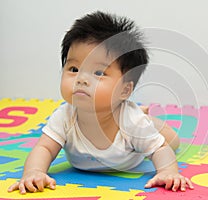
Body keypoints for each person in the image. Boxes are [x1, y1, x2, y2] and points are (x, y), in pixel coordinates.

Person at [8, 11, 194, 194]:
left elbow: (159, 150)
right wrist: (34, 172)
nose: (82, 79)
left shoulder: (132, 122)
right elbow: (44, 148)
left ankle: (150, 119)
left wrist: (167, 172)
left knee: (172, 142)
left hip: (133, 130)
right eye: (74, 68)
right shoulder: (65, 116)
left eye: (98, 73)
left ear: (125, 90)